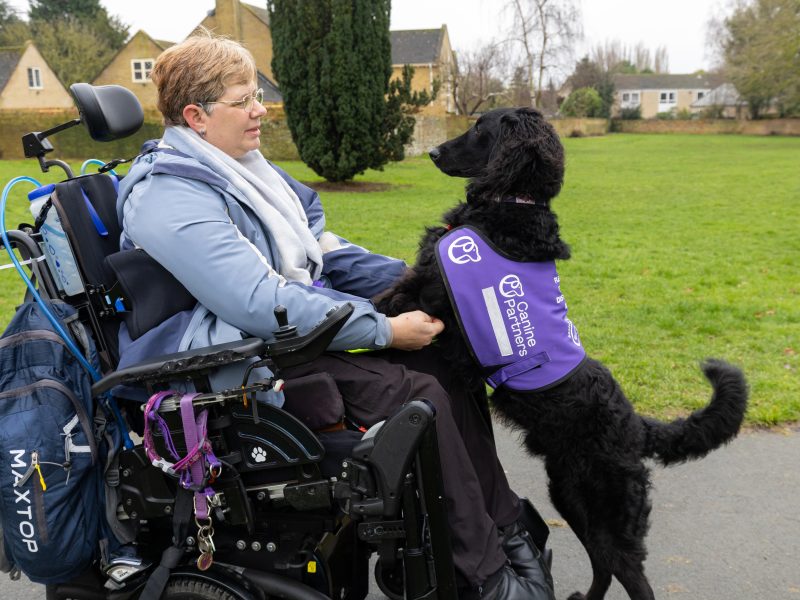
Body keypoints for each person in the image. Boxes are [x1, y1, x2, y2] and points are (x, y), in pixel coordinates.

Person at [116, 32, 553, 600]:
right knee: (417, 395)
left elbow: (321, 248)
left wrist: (430, 283)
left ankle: (503, 528)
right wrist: (384, 328)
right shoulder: (170, 196)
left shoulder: (245, 170)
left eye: (257, 94)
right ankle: (485, 579)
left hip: (282, 336)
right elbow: (256, 298)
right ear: (197, 116)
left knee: (450, 365)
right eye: (244, 99)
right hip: (229, 362)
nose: (260, 109)